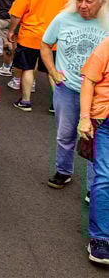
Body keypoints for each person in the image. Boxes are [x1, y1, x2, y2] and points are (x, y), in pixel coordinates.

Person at [41, 0, 109, 193]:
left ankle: (94, 187)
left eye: (89, 1)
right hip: (68, 89)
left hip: (99, 95)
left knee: (95, 141)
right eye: (79, 0)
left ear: (101, 1)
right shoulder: (63, 18)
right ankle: (63, 171)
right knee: (65, 135)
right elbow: (45, 44)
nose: (83, 6)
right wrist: (53, 72)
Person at [7, 0, 71, 111]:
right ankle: (56, 104)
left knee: (28, 68)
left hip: (30, 35)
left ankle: (25, 101)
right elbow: (69, 10)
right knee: (52, 70)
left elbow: (16, 13)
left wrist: (11, 31)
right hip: (54, 36)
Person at [79, 30, 109, 265]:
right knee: (105, 177)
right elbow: (89, 79)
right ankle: (100, 238)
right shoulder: (107, 45)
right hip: (106, 121)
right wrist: (85, 117)